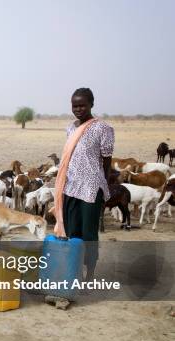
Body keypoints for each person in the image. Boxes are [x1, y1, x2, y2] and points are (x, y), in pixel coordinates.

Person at [52, 88, 114, 280]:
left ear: (91, 104)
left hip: (90, 188)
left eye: (82, 105)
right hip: (70, 186)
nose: (78, 109)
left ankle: (90, 274)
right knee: (73, 231)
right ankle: (74, 270)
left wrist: (103, 187)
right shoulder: (71, 128)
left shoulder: (102, 128)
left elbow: (106, 161)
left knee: (89, 233)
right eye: (74, 105)